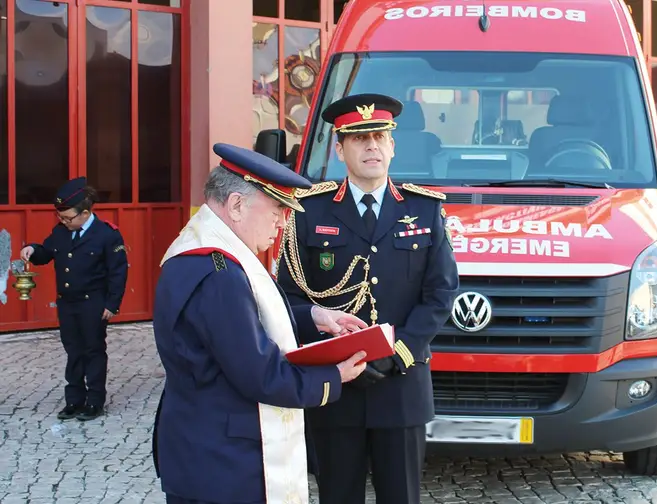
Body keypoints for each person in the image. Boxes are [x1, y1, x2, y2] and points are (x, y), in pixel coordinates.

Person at [151, 143, 370, 504]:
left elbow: (239, 322)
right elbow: (261, 374)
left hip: (205, 450)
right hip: (226, 465)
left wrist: (313, 316)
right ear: (236, 205)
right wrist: (334, 377)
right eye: (277, 211)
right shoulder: (219, 271)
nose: (283, 223)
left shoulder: (208, 250)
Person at [276, 93, 460, 504]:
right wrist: (319, 324)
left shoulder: (424, 210)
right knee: (338, 496)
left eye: (379, 137)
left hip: (402, 386)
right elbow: (286, 298)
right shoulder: (309, 211)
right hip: (334, 388)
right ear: (340, 149)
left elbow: (441, 292)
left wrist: (399, 353)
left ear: (393, 146)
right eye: (359, 139)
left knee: (402, 497)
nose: (371, 146)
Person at [20, 177, 128, 422]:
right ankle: (74, 400)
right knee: (73, 350)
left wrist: (112, 304)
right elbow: (47, 252)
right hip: (68, 303)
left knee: (93, 350)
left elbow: (118, 272)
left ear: (85, 213)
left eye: (68, 218)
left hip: (94, 303)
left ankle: (95, 401)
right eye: (61, 217)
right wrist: (33, 250)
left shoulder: (106, 235)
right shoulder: (61, 232)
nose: (64, 221)